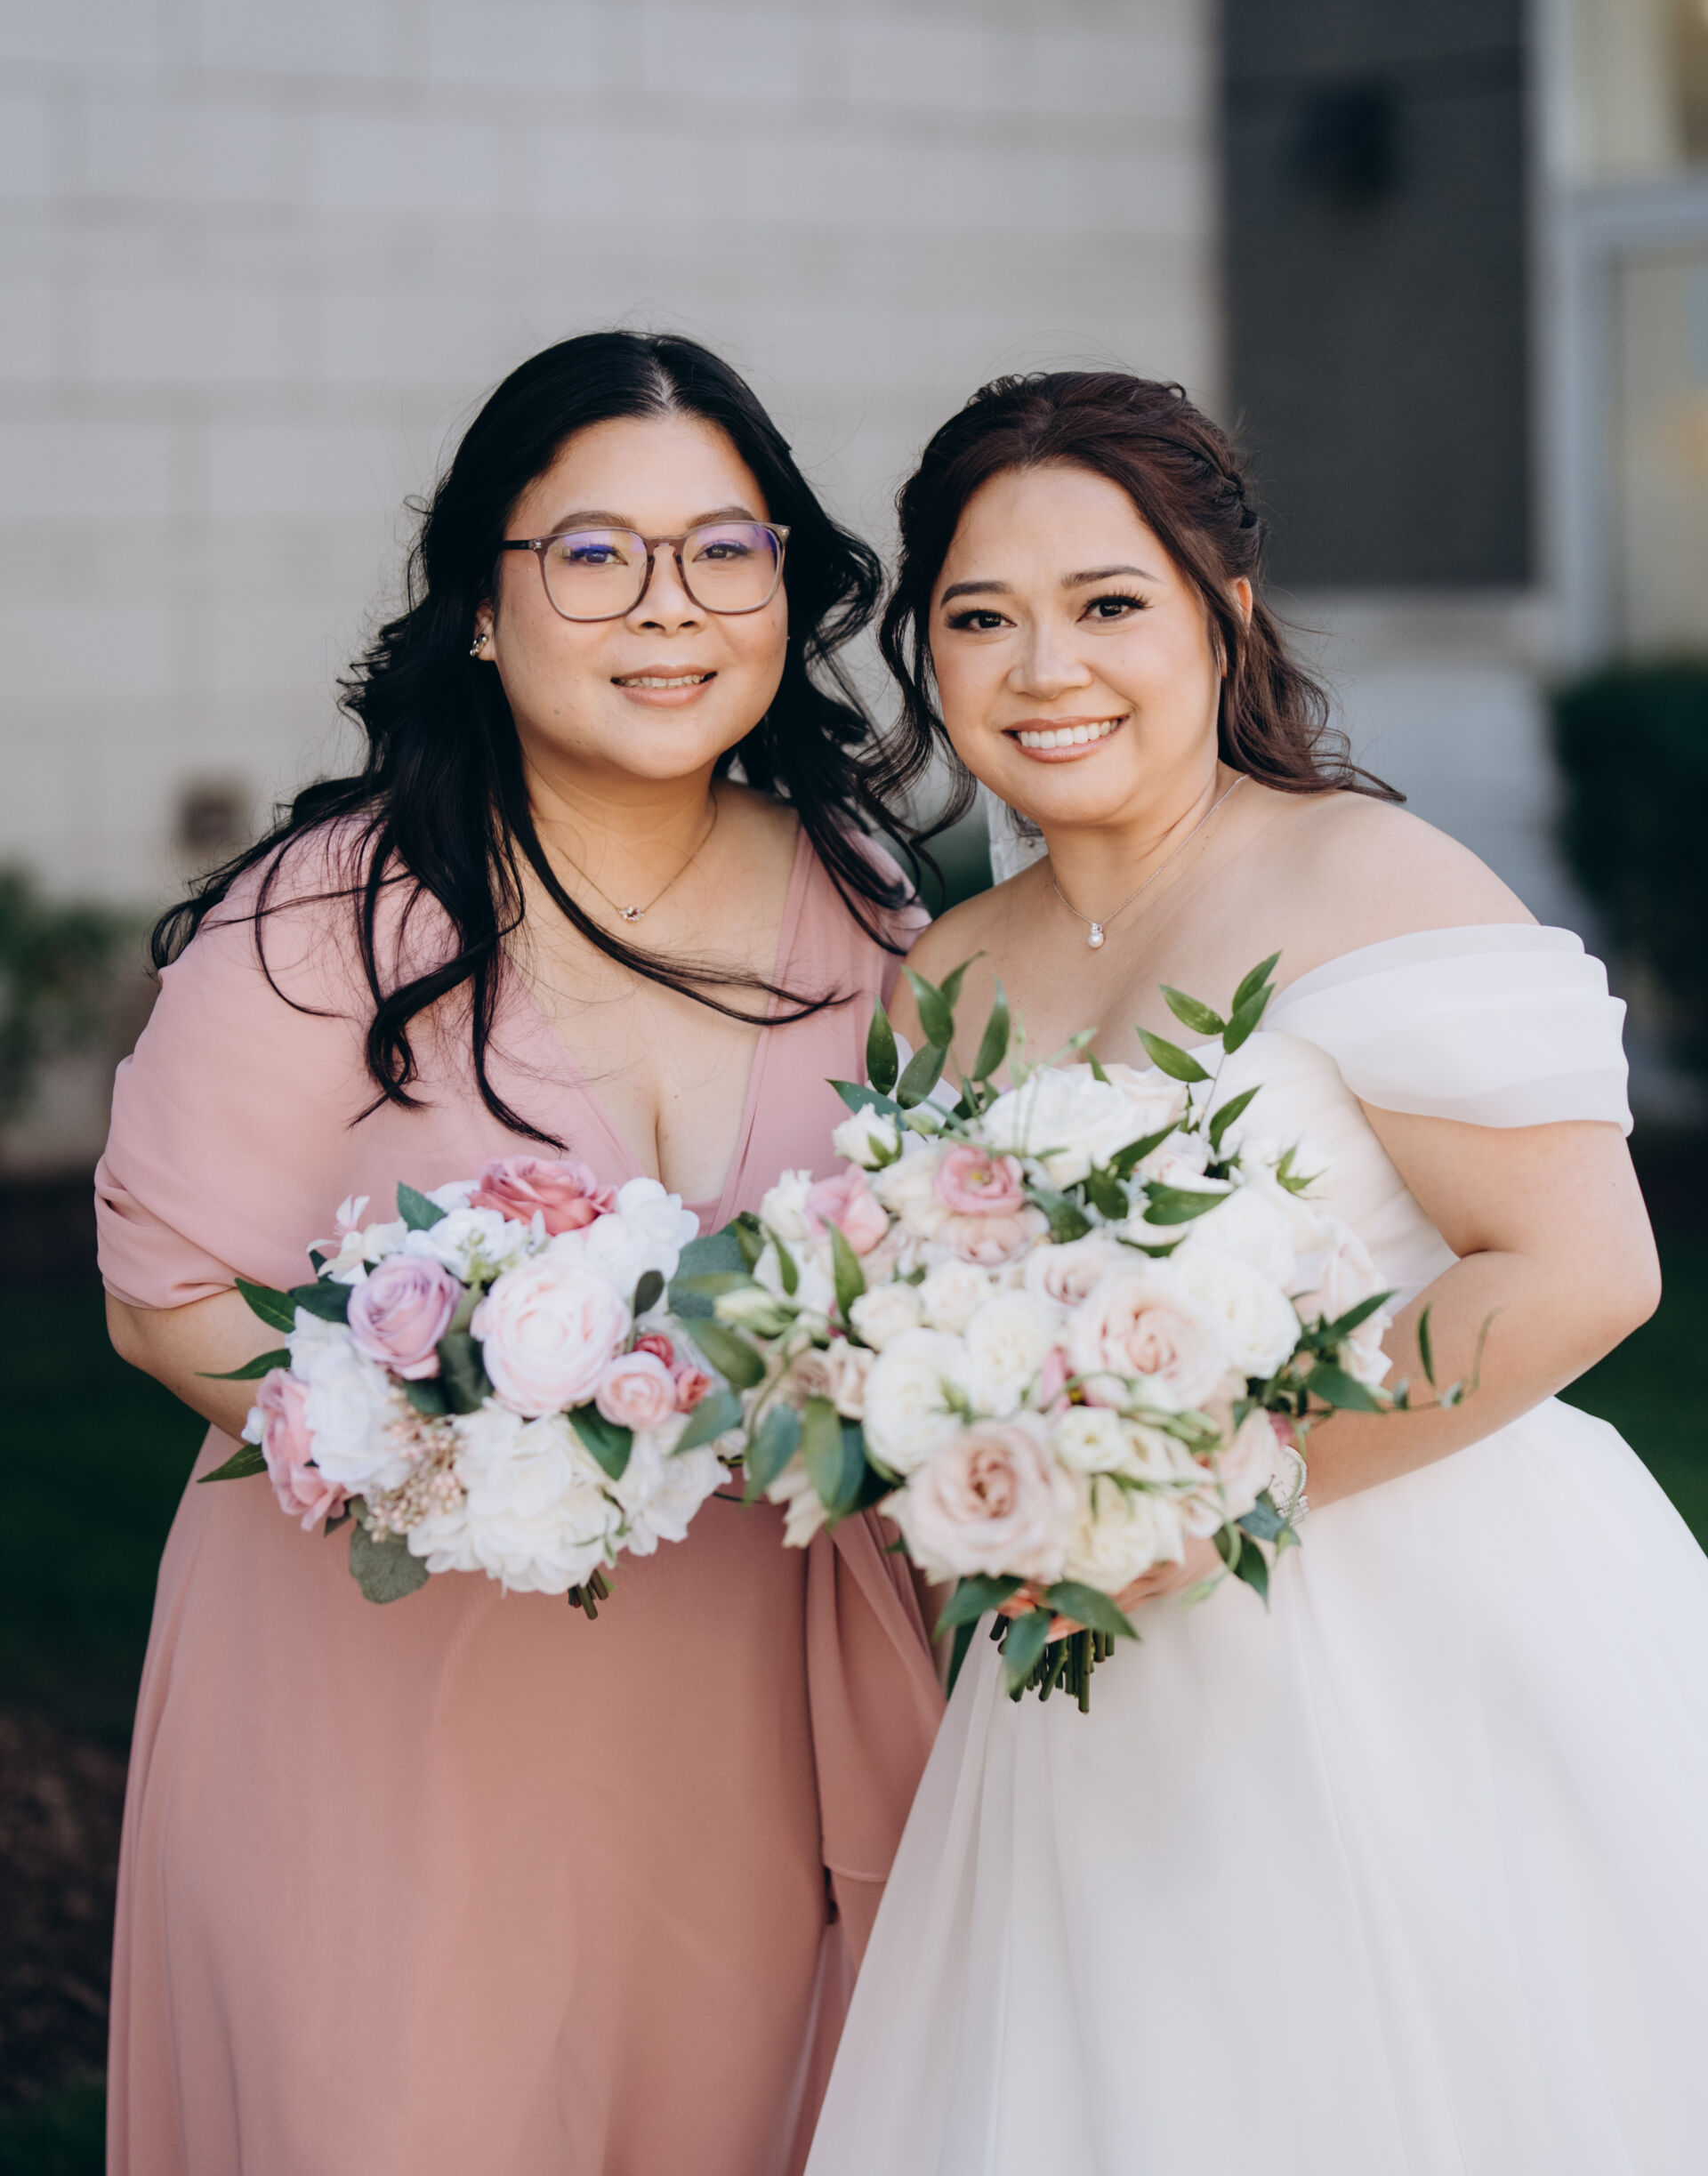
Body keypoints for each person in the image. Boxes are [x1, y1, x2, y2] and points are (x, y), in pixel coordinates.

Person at [806, 370, 1708, 2176]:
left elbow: (1580, 1269)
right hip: (1085, 1667)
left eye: (1107, 604)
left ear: (1221, 614)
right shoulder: (945, 973)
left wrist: (1213, 1492)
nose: (1045, 669)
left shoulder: (1368, 873)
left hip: (1423, 1620)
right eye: (980, 619)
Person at [98, 331, 943, 2176]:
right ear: (481, 607)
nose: (670, 605)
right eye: (594, 553)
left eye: (724, 550)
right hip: (388, 1712)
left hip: (747, 1716)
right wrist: (463, 1451)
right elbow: (164, 1302)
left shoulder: (863, 896)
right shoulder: (328, 916)